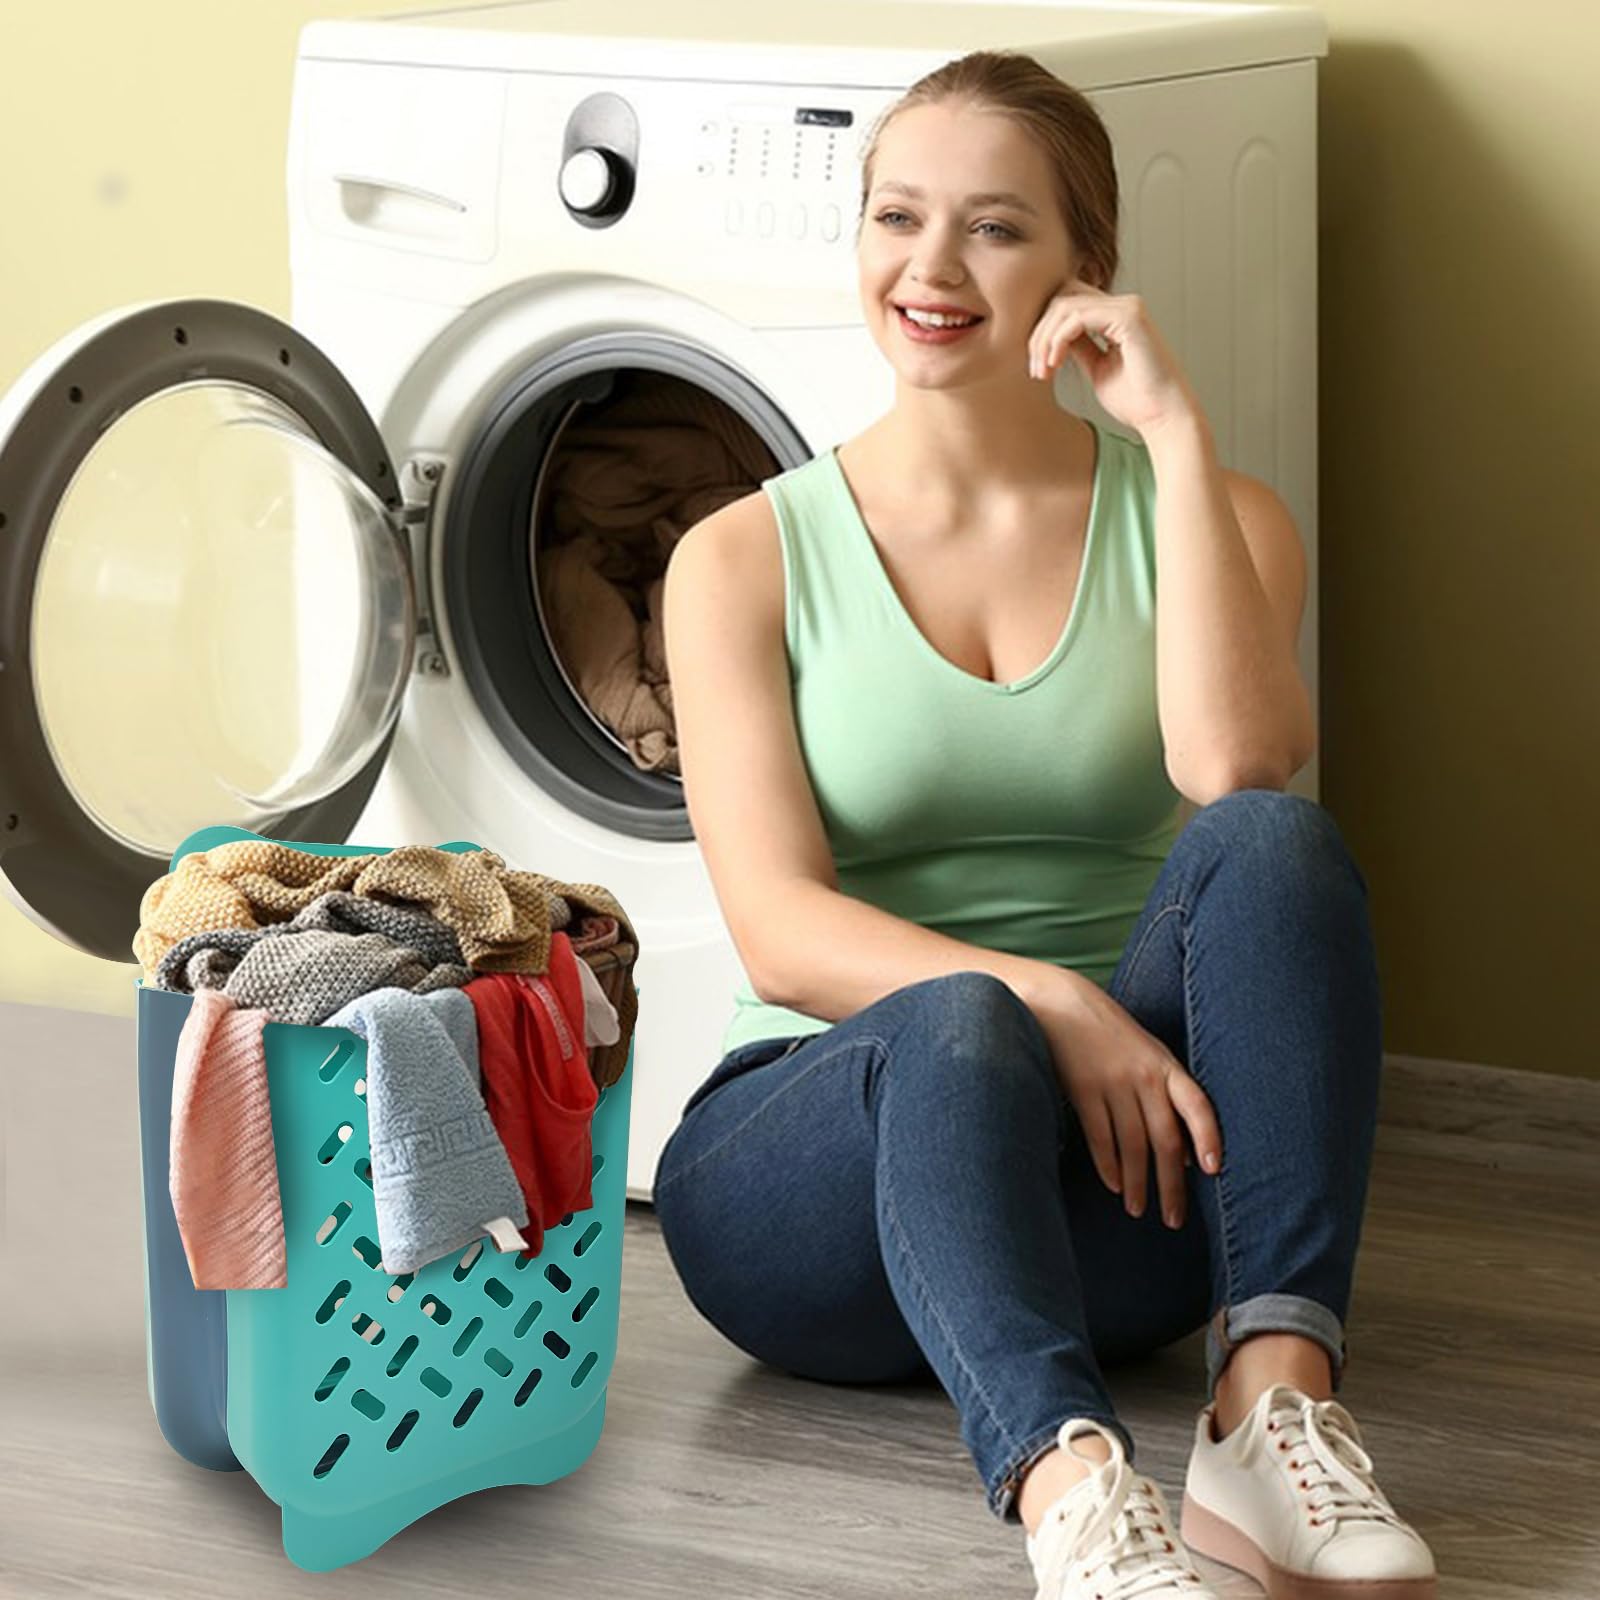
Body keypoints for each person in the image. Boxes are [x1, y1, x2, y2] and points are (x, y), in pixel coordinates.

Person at [652, 48, 1438, 1600]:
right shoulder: (741, 557)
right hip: (819, 1185)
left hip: (1123, 1197)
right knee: (956, 1022)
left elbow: (1241, 768)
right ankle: (1072, 1487)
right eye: (897, 218)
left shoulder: (1213, 515)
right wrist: (1049, 1000)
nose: (931, 269)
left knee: (1279, 844)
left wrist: (1177, 435)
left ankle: (1269, 1410)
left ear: (1086, 267)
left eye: (996, 229)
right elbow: (778, 929)